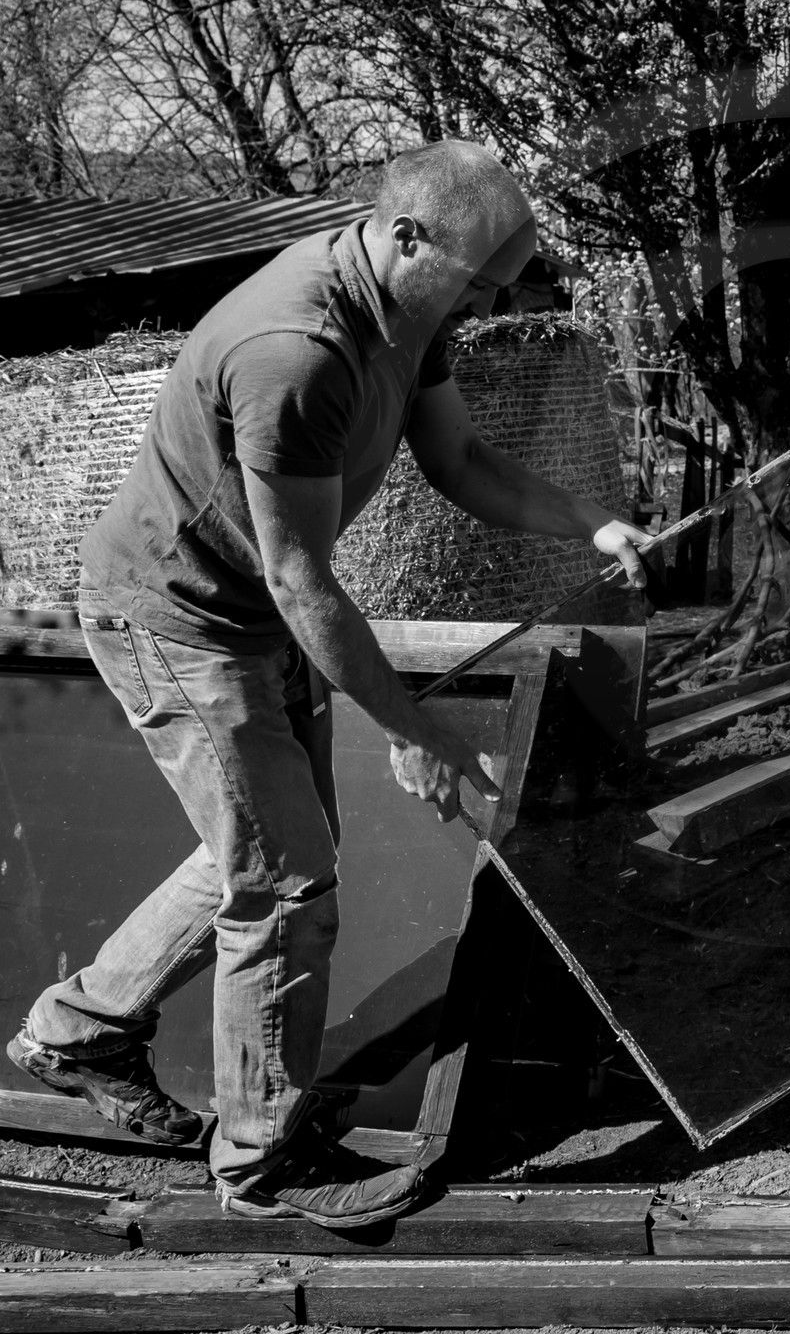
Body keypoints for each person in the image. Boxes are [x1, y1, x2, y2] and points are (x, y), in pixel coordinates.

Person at [7, 141, 650, 1228]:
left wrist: (589, 523)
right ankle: (261, 1164)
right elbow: (302, 582)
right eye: (481, 286)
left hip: (248, 607)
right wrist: (418, 731)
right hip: (183, 621)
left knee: (261, 850)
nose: (487, 308)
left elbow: (461, 465)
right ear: (407, 240)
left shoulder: (410, 315)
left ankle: (80, 1028)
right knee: (288, 883)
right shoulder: (296, 350)